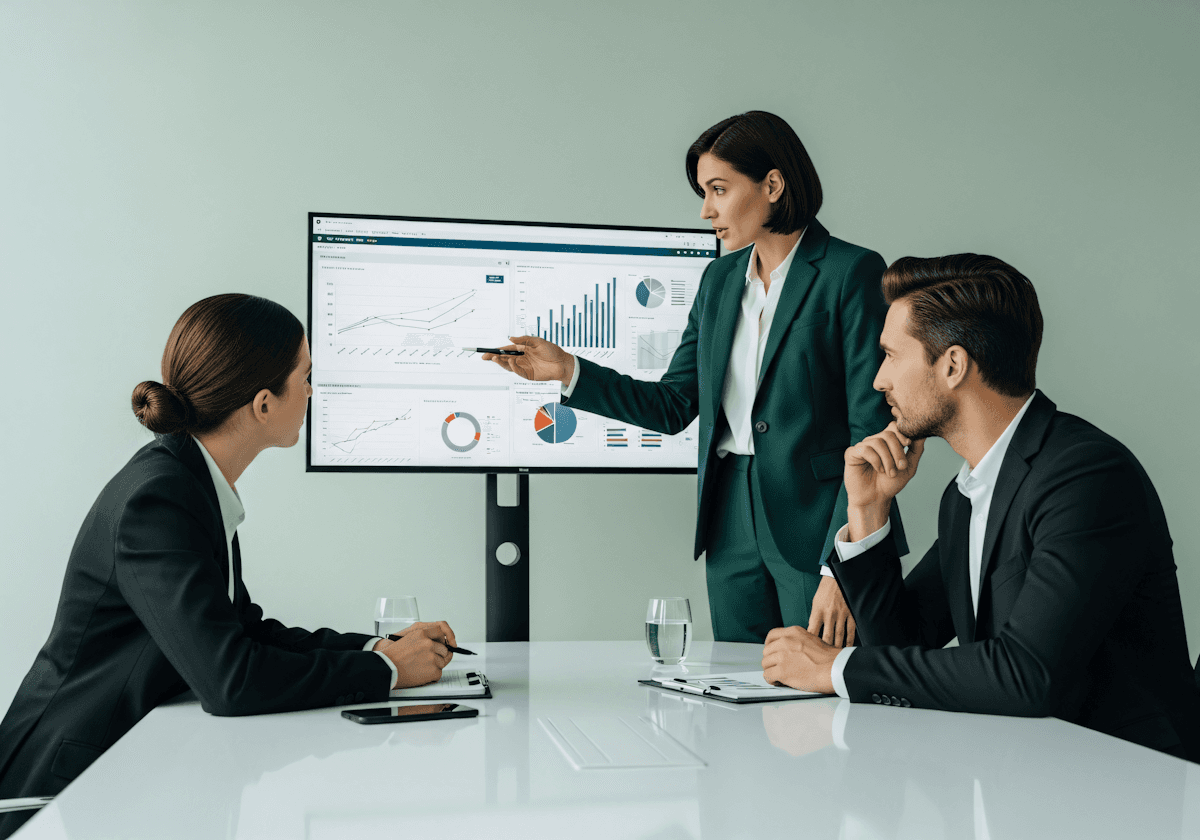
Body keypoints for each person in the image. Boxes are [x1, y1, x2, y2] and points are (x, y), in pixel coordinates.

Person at [0, 294, 458, 836]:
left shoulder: (187, 479)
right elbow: (230, 679)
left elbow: (243, 632)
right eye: (306, 376)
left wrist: (377, 647)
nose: (312, 392)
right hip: (59, 792)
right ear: (264, 404)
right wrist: (387, 672)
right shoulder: (161, 499)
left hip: (122, 773)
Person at [485, 111, 905, 643]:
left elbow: (871, 428)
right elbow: (673, 405)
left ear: (772, 185)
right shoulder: (719, 279)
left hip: (816, 516)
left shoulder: (852, 271)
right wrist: (568, 371)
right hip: (728, 513)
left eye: (719, 189)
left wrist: (842, 563)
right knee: (736, 683)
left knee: (816, 693)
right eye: (704, 192)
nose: (707, 210)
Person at [761, 255, 1200, 760]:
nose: (879, 381)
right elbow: (901, 647)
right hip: (1028, 776)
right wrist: (867, 512)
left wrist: (832, 668)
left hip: (1136, 786)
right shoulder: (966, 494)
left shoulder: (1086, 476)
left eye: (889, 356)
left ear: (952, 365)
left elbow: (1027, 674)